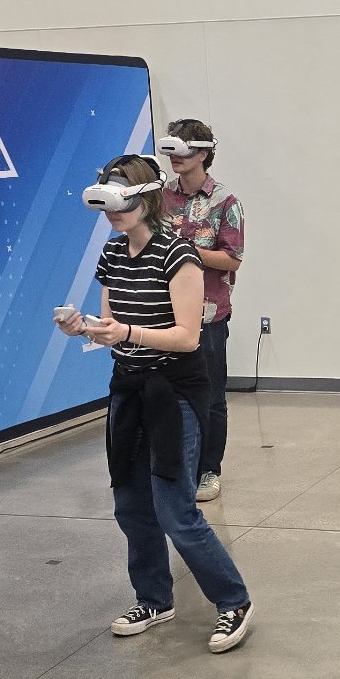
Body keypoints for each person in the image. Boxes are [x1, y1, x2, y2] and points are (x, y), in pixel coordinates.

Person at [57, 153, 253, 652]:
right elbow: (109, 331)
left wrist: (126, 332)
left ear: (145, 199)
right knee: (130, 506)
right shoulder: (112, 255)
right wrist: (84, 328)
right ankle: (153, 598)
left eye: (120, 203)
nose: (113, 215)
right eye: (105, 206)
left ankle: (233, 601)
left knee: (175, 510)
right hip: (128, 388)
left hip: (174, 392)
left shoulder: (179, 256)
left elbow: (188, 338)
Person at [158, 118, 245, 504]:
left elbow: (232, 259)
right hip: (165, 315)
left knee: (209, 397)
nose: (176, 158)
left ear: (204, 154)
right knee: (170, 394)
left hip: (209, 316)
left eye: (184, 150)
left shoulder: (225, 201)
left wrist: (186, 251)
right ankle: (177, 466)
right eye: (171, 149)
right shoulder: (160, 196)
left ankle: (209, 469)